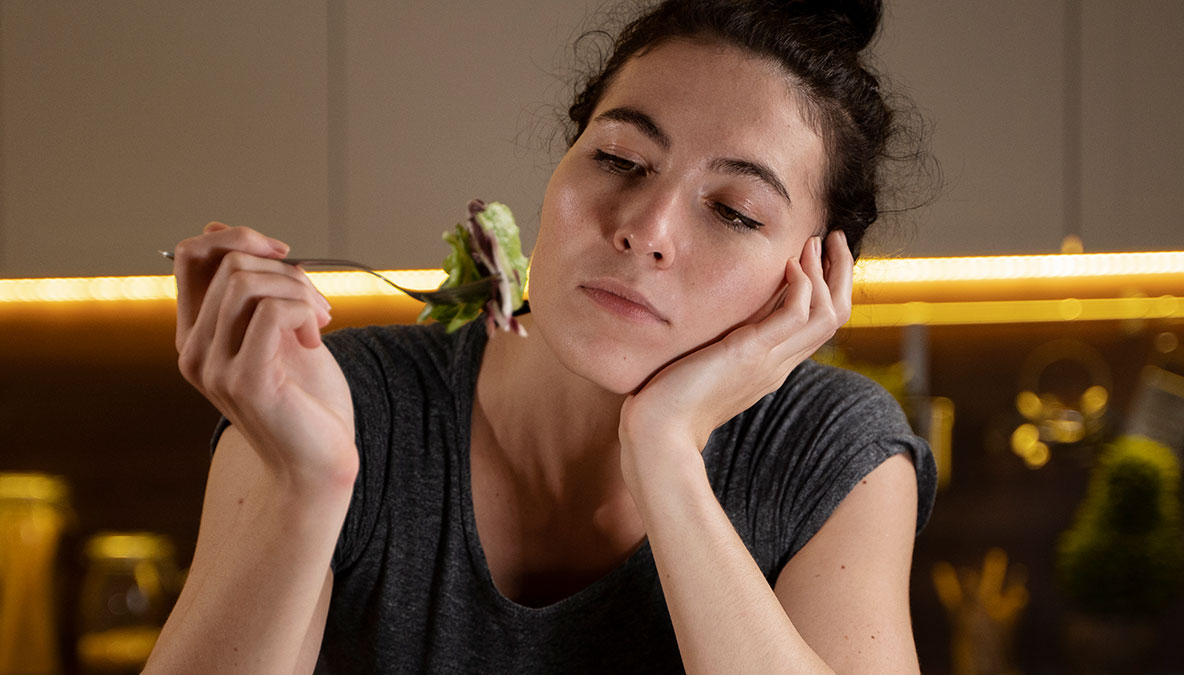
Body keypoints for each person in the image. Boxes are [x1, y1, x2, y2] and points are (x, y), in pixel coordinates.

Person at [146, 0, 937, 672]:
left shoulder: (833, 449)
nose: (645, 229)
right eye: (621, 158)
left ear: (813, 278)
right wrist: (305, 486)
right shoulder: (331, 401)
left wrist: (662, 447)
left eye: (733, 210)